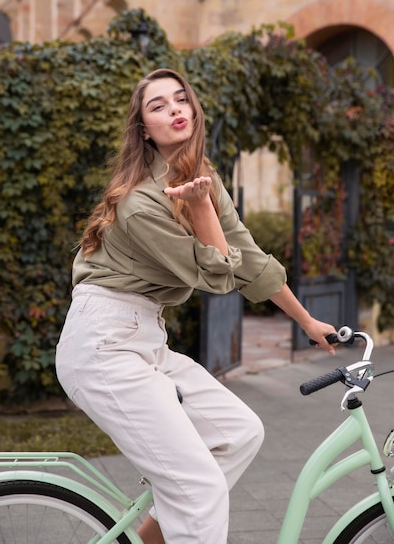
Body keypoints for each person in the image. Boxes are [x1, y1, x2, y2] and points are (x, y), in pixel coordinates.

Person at [55, 68, 336, 544]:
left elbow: (245, 257)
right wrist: (203, 211)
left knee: (239, 432)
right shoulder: (141, 203)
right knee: (200, 487)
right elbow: (216, 276)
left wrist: (307, 320)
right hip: (104, 343)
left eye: (180, 99)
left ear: (194, 109)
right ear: (144, 129)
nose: (174, 110)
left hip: (144, 336)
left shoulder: (201, 177)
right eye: (158, 106)